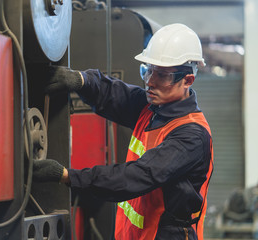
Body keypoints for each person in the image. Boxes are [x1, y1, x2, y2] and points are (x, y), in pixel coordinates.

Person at [33, 23, 214, 240]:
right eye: (148, 70)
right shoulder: (153, 107)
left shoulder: (191, 136)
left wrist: (68, 176)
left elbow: (136, 176)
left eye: (162, 75)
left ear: (188, 80)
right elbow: (114, 95)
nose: (150, 82)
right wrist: (80, 81)